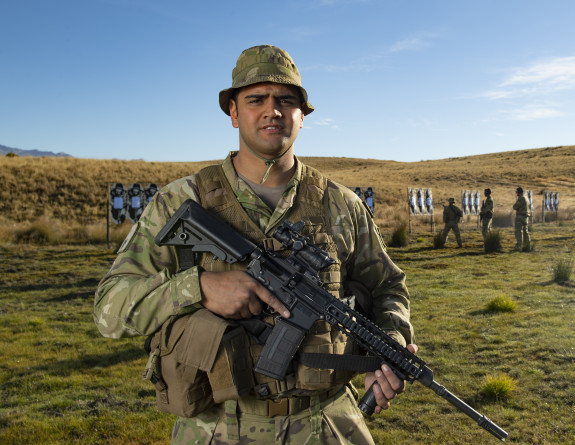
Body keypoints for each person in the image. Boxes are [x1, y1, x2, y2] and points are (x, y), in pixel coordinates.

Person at [94, 45, 417, 444]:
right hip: (216, 429)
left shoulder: (341, 204)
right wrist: (198, 287)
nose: (273, 111)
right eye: (256, 99)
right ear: (233, 112)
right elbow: (110, 308)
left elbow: (388, 287)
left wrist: (391, 344)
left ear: (302, 115)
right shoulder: (182, 201)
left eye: (286, 100)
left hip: (325, 424)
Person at [513, 186, 531, 251]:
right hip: (526, 217)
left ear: (519, 192)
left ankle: (519, 246)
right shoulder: (526, 198)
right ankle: (528, 245)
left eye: (517, 192)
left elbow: (515, 207)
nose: (516, 193)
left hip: (520, 217)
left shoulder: (521, 198)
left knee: (518, 231)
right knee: (525, 231)